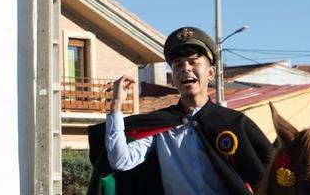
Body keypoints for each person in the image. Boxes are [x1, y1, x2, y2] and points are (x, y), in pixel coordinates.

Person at [86, 26, 273, 195]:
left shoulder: (235, 123)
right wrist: (116, 106)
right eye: (178, 65)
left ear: (211, 73)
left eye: (193, 62)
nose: (186, 69)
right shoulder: (160, 125)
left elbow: (269, 173)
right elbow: (120, 161)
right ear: (173, 79)